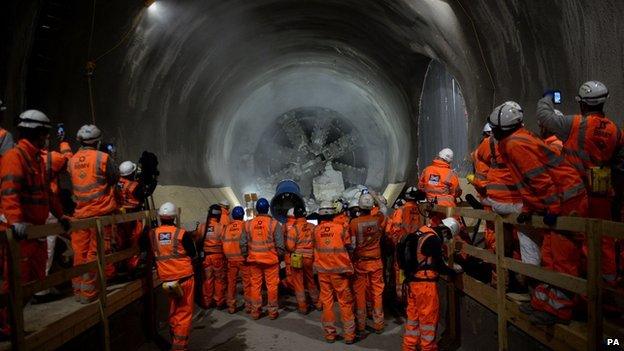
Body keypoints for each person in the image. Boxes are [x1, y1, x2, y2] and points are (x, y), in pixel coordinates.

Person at [489, 101, 589, 324]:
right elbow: (528, 181)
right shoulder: (517, 139)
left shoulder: (514, 144)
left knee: (563, 257)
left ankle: (560, 311)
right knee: (550, 254)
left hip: (566, 200)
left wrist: (552, 208)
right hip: (560, 198)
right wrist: (529, 208)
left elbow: (539, 178)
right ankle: (545, 304)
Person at [538, 82, 622, 284]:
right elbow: (620, 168)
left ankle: (582, 288)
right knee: (604, 239)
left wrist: (548, 97)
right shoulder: (616, 130)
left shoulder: (574, 124)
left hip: (575, 195)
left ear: (582, 105)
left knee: (575, 239)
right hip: (601, 195)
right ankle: (608, 289)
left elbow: (544, 116)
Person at [0, 110, 68, 336]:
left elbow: (46, 193)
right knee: (14, 281)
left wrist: (61, 216)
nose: (46, 138)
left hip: (35, 232)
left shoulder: (37, 159)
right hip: (20, 232)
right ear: (37, 133)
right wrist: (16, 221)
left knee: (34, 282)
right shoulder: (15, 157)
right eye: (45, 134)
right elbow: (9, 192)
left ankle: (12, 322)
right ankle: (6, 326)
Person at [68, 124, 119, 303]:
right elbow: (114, 178)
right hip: (100, 213)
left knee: (79, 254)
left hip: (80, 215)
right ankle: (90, 294)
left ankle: (78, 292)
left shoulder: (72, 160)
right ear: (98, 142)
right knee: (95, 253)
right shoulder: (103, 158)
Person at [400, 218, 462, 351]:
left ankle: (408, 347)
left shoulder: (422, 231)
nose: (447, 240)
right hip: (426, 287)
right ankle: (428, 348)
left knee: (413, 320)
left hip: (412, 283)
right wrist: (453, 272)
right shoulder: (434, 240)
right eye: (449, 237)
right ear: (446, 232)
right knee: (428, 321)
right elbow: (439, 266)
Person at [151, 202, 196, 351]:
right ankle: (179, 347)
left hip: (166, 280)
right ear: (174, 217)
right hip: (184, 279)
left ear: (160, 217)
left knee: (173, 311)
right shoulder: (181, 234)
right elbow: (193, 253)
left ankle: (174, 338)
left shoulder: (152, 234)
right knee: (183, 313)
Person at [313, 201, 356, 344]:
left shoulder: (316, 230)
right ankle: (349, 335)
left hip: (323, 272)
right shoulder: (341, 228)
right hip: (340, 272)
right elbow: (350, 247)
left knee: (327, 303)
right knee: (345, 302)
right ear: (333, 213)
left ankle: (330, 334)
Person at [240, 198, 284, 320]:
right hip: (271, 262)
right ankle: (272, 312)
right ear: (268, 208)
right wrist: (279, 258)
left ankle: (255, 312)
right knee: (272, 287)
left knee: (255, 286)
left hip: (253, 261)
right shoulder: (274, 224)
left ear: (256, 209)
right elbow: (280, 246)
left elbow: (242, 244)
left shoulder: (248, 224)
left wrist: (246, 256)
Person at [350, 193, 387, 335]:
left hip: (360, 263)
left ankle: (361, 324)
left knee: (359, 293)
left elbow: (352, 246)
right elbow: (383, 208)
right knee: (377, 293)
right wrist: (375, 197)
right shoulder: (378, 220)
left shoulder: (354, 223)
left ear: (359, 207)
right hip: (376, 262)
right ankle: (378, 324)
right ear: (372, 207)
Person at [385, 186, 424, 302]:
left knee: (400, 270)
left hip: (403, 244)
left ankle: (401, 297)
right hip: (418, 244)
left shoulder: (400, 210)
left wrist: (394, 244)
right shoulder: (421, 210)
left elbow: (395, 230)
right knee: (414, 269)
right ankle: (413, 296)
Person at [285, 206, 319, 314]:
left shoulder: (293, 229)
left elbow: (290, 247)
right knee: (311, 280)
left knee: (298, 282)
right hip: (310, 257)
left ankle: (303, 306)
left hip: (297, 258)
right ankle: (317, 302)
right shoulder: (313, 227)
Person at [418, 148, 461, 224]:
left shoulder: (427, 170)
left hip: (431, 206)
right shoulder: (451, 173)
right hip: (447, 209)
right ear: (449, 161)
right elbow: (456, 192)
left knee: (435, 227)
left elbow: (421, 187)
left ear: (438, 156)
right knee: (455, 228)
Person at [196, 204, 226, 309]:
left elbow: (198, 240)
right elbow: (224, 243)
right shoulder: (221, 227)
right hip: (218, 257)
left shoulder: (202, 226)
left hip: (206, 257)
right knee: (219, 279)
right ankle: (219, 301)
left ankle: (207, 301)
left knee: (207, 279)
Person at [222, 206, 251, 314]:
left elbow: (223, 242)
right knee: (247, 283)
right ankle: (248, 306)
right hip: (243, 259)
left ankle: (231, 306)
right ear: (242, 215)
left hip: (230, 259)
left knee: (231, 283)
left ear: (232, 216)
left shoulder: (226, 228)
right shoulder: (245, 226)